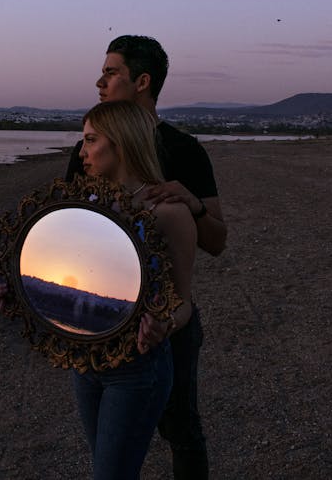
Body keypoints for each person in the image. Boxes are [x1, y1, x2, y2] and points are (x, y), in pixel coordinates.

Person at [66, 35, 227, 480]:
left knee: (181, 429)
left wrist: (192, 206)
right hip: (100, 335)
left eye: (111, 72)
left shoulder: (185, 152)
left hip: (163, 333)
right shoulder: (88, 160)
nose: (100, 81)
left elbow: (215, 242)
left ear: (142, 81)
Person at [74, 99, 197, 480]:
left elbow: (184, 304)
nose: (81, 152)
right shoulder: (87, 205)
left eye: (91, 140)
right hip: (85, 363)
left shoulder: (168, 212)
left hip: (137, 371)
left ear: (121, 143)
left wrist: (164, 323)